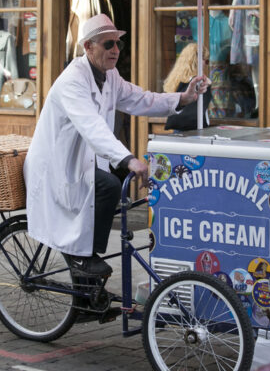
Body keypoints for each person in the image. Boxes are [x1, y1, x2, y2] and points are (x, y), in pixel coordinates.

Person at [24, 14, 209, 277]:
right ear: (88, 47)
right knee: (110, 186)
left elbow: (140, 99)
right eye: (108, 44)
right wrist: (130, 160)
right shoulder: (72, 81)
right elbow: (92, 127)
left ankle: (88, 295)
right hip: (56, 167)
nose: (116, 50)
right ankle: (83, 258)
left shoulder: (109, 75)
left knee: (117, 181)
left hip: (83, 163)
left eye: (118, 44)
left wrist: (182, 97)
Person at [163, 43, 212, 131]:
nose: (206, 65)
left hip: (178, 126)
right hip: (194, 129)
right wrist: (209, 84)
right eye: (206, 61)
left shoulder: (176, 79)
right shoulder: (200, 82)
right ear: (198, 61)